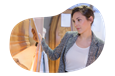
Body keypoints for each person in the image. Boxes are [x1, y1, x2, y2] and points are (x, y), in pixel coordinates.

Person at [31, 5, 106, 73]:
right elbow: (53, 55)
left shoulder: (100, 46)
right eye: (74, 21)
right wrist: (41, 41)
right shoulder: (68, 36)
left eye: (79, 20)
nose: (75, 24)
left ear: (90, 19)